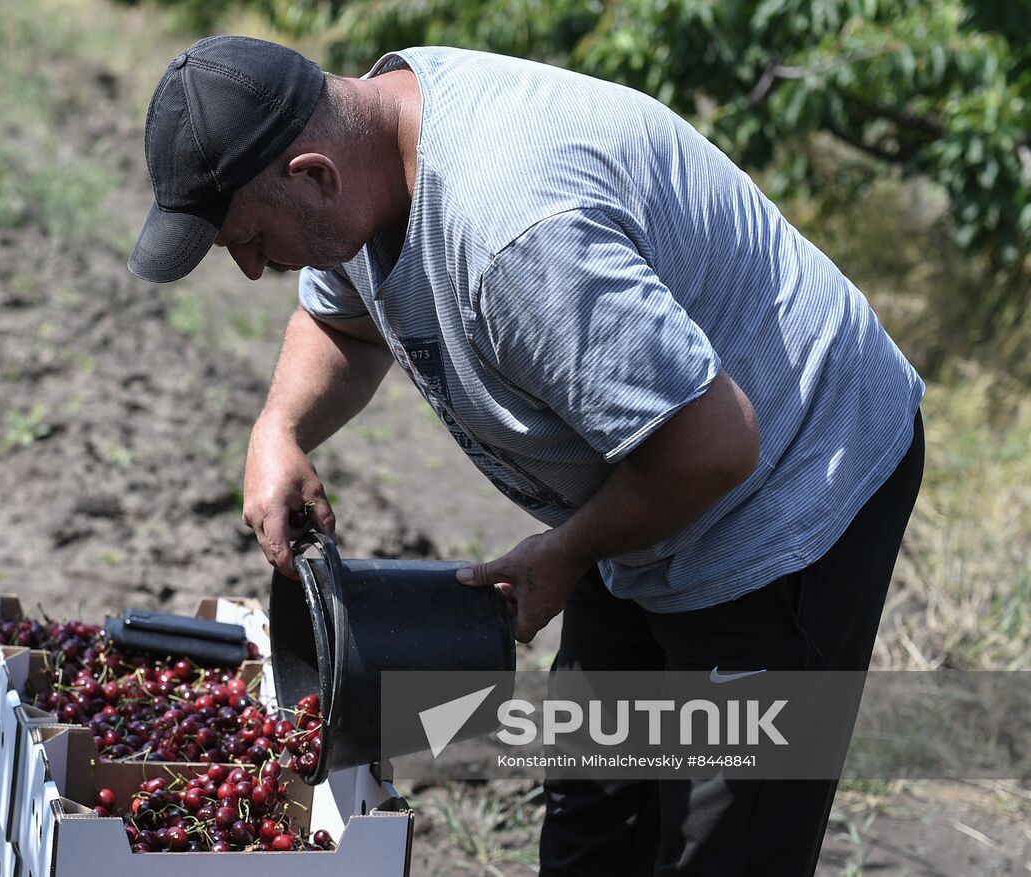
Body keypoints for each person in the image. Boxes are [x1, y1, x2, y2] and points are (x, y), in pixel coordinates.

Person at [128, 35, 925, 877]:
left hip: (787, 485)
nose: (254, 269)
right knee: (594, 816)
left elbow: (713, 446)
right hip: (651, 473)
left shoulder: (514, 236)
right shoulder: (367, 151)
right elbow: (339, 321)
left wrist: (570, 549)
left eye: (250, 238)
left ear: (312, 175)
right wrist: (277, 427)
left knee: (725, 841)